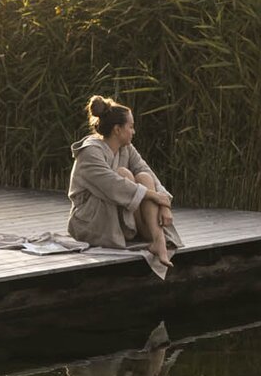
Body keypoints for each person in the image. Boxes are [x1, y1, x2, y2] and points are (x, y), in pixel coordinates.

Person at [67, 96, 181, 278]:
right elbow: (112, 185)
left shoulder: (126, 148)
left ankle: (157, 239)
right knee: (123, 175)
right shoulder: (90, 152)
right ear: (117, 129)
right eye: (131, 126)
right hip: (90, 220)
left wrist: (165, 203)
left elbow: (148, 172)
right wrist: (153, 196)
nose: (134, 131)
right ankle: (154, 237)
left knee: (143, 176)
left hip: (120, 217)